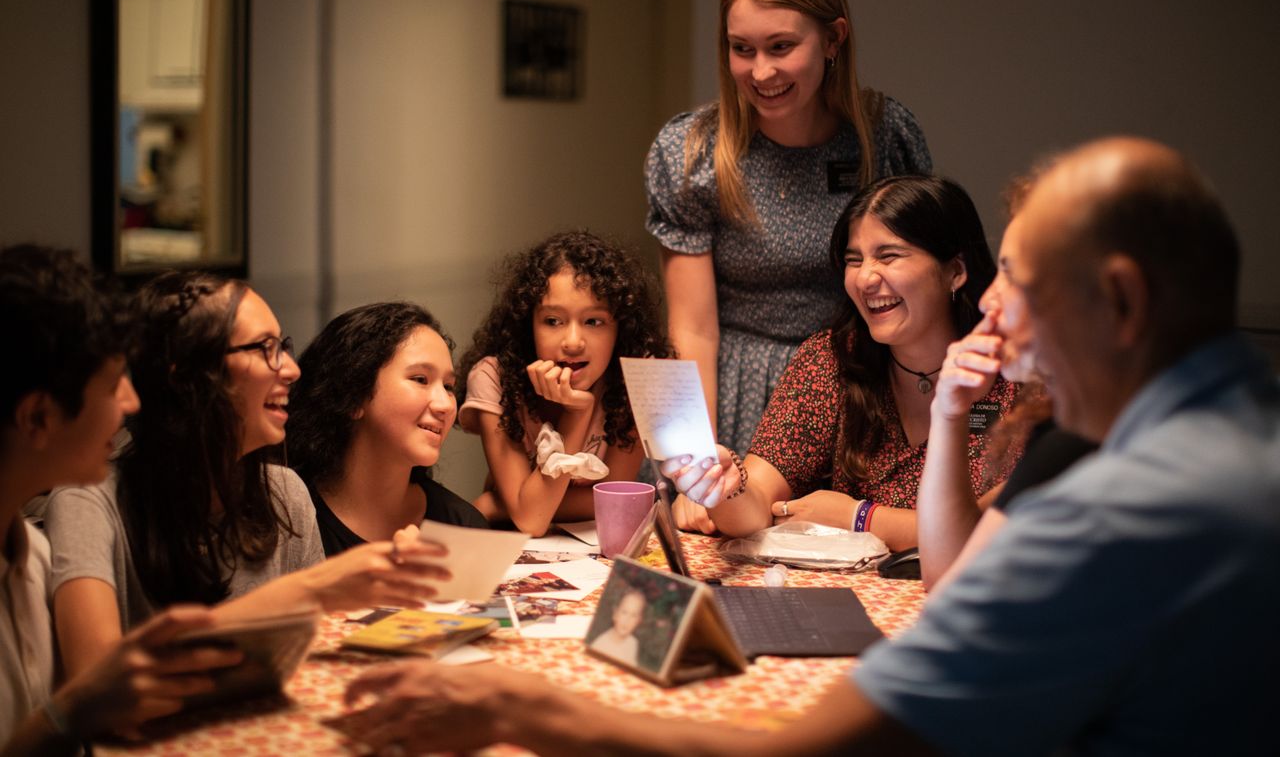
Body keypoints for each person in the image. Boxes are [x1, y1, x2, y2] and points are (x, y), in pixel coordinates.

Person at [334, 137, 1279, 755]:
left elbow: (808, 750)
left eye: (1020, 281)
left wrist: (519, 708)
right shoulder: (1235, 436)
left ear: (1120, 301)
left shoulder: (1120, 509)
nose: (992, 306)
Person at [43, 271, 449, 682]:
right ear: (186, 376)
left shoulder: (284, 492)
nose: (290, 369)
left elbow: (312, 660)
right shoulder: (89, 499)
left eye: (284, 348)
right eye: (264, 349)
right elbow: (97, 688)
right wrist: (308, 591)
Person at [645, 0, 931, 462]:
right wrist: (695, 457)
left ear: (833, 39)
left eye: (781, 47)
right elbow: (692, 329)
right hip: (734, 396)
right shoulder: (693, 152)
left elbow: (923, 289)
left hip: (861, 388)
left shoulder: (884, 137)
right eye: (742, 49)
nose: (760, 72)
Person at [667, 175, 1014, 550]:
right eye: (854, 260)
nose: (865, 278)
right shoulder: (831, 360)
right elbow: (756, 511)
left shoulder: (1022, 374)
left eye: (889, 255)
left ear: (956, 271)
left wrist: (860, 517)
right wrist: (728, 488)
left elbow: (989, 535)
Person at [0, 245, 240, 754]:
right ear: (37, 418)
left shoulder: (29, 557)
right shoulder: (85, 508)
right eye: (114, 384)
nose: (132, 402)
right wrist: (71, 713)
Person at [915, 173, 1096, 589]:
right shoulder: (1066, 425)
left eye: (1011, 276)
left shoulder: (1086, 441)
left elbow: (951, 598)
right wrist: (948, 412)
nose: (986, 301)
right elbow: (946, 576)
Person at [458, 231, 673, 537]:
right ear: (528, 324)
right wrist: (577, 413)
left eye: (593, 321)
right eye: (553, 321)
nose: (573, 343)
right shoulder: (494, 378)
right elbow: (531, 522)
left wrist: (500, 504)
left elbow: (620, 499)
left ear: (620, 328)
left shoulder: (636, 378)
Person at [288, 302, 487, 556]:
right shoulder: (287, 517)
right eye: (420, 379)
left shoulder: (463, 527)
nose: (445, 405)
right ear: (353, 394)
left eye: (448, 386)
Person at [587, 586, 645, 668]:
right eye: (624, 612)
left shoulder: (633, 643)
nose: (627, 620)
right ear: (615, 614)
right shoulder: (600, 645)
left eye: (633, 615)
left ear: (638, 621)